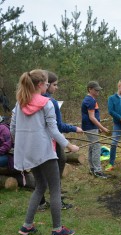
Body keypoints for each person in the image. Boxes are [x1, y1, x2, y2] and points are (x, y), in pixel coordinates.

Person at [11, 69, 79, 235]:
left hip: (29, 153)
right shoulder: (46, 103)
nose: (48, 86)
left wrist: (24, 144)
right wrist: (69, 145)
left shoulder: (19, 104)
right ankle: (57, 229)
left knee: (40, 186)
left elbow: (13, 129)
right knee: (54, 189)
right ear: (40, 85)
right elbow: (54, 131)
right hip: (45, 152)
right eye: (47, 84)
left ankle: (27, 225)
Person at [38, 71, 84, 211]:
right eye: (54, 85)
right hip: (52, 139)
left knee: (41, 170)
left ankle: (42, 202)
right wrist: (74, 128)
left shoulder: (33, 99)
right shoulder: (50, 102)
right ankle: (55, 198)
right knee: (60, 162)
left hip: (38, 140)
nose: (56, 88)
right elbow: (57, 126)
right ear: (47, 85)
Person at [81, 81, 109, 178]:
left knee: (92, 147)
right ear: (90, 89)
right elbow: (92, 117)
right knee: (96, 147)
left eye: (98, 90)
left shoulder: (90, 99)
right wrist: (102, 127)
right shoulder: (90, 100)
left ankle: (92, 168)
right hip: (90, 127)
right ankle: (98, 171)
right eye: (96, 90)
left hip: (91, 127)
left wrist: (98, 127)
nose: (98, 92)